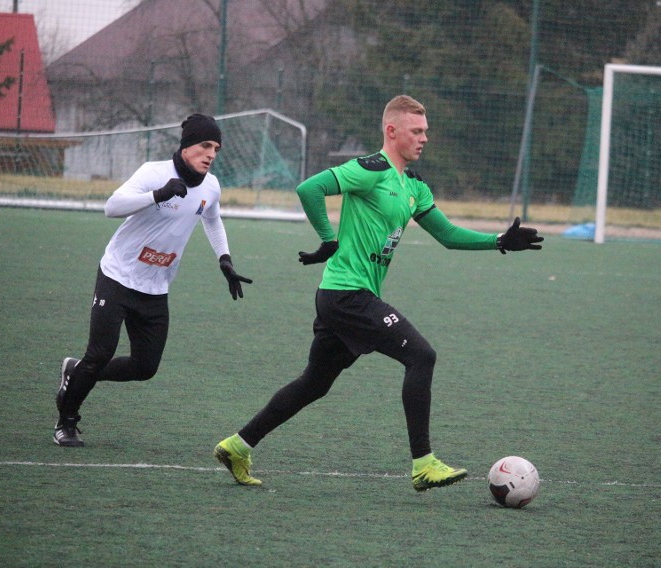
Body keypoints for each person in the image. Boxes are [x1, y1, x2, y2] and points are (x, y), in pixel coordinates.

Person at [214, 95, 543, 491]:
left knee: (314, 383)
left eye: (426, 132)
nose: (424, 139)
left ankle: (238, 444)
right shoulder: (370, 170)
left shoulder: (414, 186)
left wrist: (500, 241)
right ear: (392, 131)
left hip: (345, 297)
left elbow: (449, 236)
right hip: (347, 295)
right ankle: (423, 463)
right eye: (416, 131)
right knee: (421, 355)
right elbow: (309, 188)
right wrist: (327, 239)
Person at [55, 113, 252, 447]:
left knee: (145, 366)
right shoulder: (154, 173)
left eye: (216, 148)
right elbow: (112, 207)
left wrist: (225, 259)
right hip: (117, 276)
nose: (211, 153)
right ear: (187, 144)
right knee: (101, 352)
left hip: (155, 288)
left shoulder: (211, 186)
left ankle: (77, 372)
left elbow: (212, 220)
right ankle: (66, 420)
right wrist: (157, 195)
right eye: (205, 145)